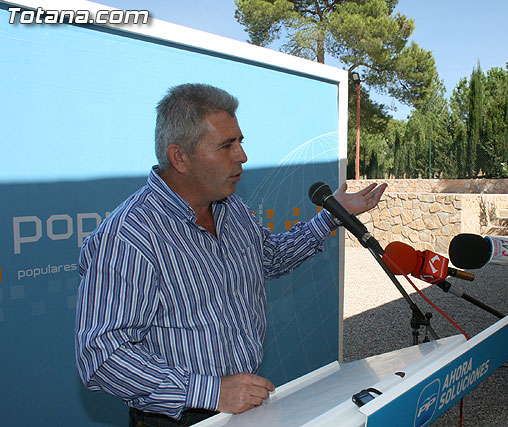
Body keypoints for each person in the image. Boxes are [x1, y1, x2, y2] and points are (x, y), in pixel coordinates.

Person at [75, 83, 387, 426]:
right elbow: (101, 356)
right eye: (226, 145)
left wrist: (330, 216)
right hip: (177, 417)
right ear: (179, 156)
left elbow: (270, 258)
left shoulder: (232, 208)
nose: (242, 156)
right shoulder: (129, 236)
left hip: (243, 407)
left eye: (240, 142)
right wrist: (211, 392)